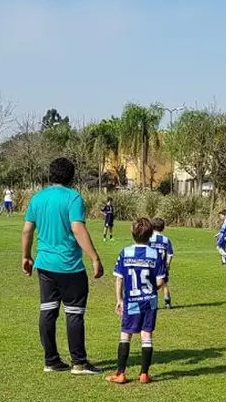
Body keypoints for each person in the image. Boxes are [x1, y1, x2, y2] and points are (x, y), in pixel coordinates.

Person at [22, 157, 105, 374]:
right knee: (74, 313)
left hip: (45, 265)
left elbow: (27, 230)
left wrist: (26, 256)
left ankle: (51, 360)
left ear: (51, 175)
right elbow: (77, 229)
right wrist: (94, 257)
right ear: (72, 176)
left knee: (47, 310)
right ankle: (79, 362)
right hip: (69, 266)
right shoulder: (73, 198)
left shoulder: (37, 198)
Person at [107, 217, 168, 385]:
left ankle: (120, 373)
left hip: (132, 300)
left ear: (132, 233)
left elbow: (119, 279)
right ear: (150, 235)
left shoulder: (125, 252)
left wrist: (119, 299)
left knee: (126, 334)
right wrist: (150, 290)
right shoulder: (155, 254)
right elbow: (160, 282)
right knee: (146, 334)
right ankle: (144, 374)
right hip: (150, 301)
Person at [149, 217, 175, 309]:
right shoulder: (166, 240)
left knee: (150, 284)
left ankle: (152, 304)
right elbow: (170, 254)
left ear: (151, 227)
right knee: (164, 284)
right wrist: (168, 264)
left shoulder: (149, 239)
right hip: (162, 265)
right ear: (163, 228)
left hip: (151, 265)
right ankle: (167, 302)